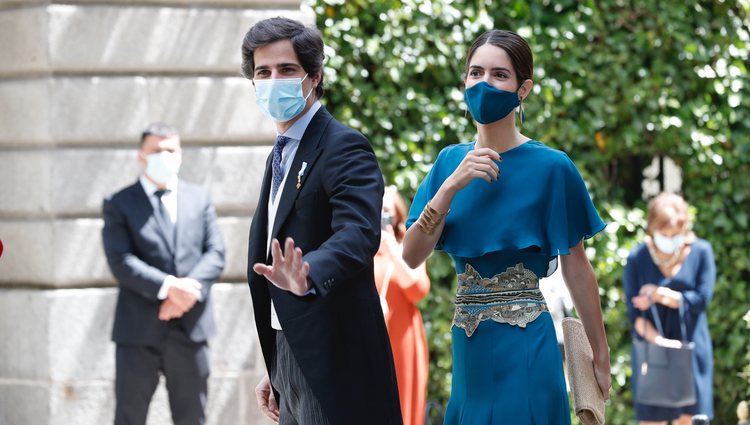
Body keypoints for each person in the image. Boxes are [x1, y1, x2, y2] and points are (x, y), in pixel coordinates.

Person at [401, 29, 611, 424]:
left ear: (523, 89)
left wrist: (600, 355)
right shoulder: (449, 162)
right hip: (468, 351)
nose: (484, 83)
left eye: (499, 75)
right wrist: (449, 189)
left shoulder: (553, 168)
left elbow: (577, 268)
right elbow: (411, 255)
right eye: (475, 72)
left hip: (527, 347)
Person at [241, 17, 402, 425]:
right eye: (263, 72)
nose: (273, 79)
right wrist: (278, 362)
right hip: (291, 350)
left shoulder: (343, 145)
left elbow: (359, 234)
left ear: (314, 77)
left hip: (338, 360)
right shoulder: (279, 154)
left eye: (287, 69)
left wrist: (308, 272)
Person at [102, 122, 225, 425]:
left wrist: (186, 295)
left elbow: (216, 254)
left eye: (170, 150)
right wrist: (170, 288)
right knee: (129, 417)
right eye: (156, 151)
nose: (164, 156)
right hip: (138, 332)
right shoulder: (119, 203)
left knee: (192, 418)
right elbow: (121, 260)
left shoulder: (199, 199)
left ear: (180, 154)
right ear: (140, 156)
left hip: (191, 328)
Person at [623, 192, 715, 424]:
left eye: (676, 234)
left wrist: (660, 295)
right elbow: (635, 317)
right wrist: (662, 344)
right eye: (664, 234)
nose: (670, 239)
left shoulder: (701, 252)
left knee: (689, 418)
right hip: (654, 356)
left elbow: (701, 300)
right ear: (652, 229)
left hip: (691, 351)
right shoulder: (637, 258)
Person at [374, 186, 430, 425]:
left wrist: (393, 250)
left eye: (387, 211)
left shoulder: (408, 246)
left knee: (404, 405)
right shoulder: (360, 248)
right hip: (371, 338)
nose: (382, 218)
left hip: (403, 338)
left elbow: (419, 290)